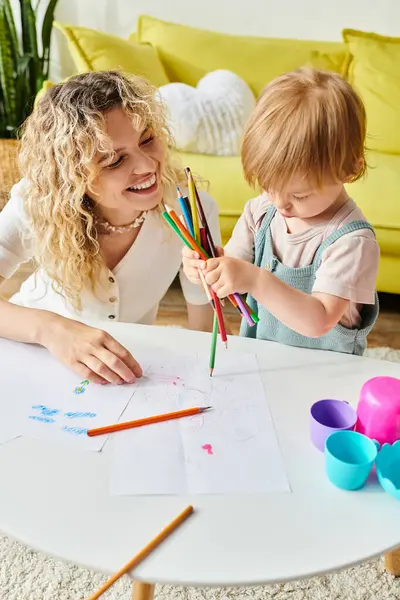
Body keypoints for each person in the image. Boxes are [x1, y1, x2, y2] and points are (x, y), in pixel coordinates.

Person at [0, 71, 220, 384]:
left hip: (124, 370)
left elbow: (203, 328)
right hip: (32, 352)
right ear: (71, 175)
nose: (147, 166)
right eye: (115, 161)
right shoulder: (37, 201)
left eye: (147, 140)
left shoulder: (193, 210)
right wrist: (53, 330)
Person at [183, 68, 379, 355]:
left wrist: (255, 279)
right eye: (268, 185)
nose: (280, 203)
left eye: (299, 195)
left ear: (351, 169)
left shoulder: (351, 241)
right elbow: (234, 284)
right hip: (264, 362)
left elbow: (320, 320)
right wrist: (210, 268)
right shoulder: (262, 211)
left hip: (327, 376)